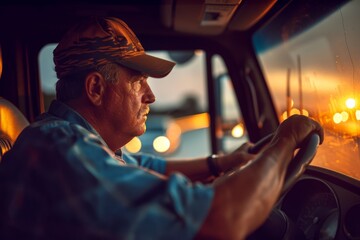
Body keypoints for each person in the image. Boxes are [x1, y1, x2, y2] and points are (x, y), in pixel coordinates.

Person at [0, 16, 324, 240]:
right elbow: (221, 222)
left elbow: (151, 166)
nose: (150, 95)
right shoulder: (62, 147)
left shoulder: (90, 143)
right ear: (96, 89)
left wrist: (222, 164)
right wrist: (285, 140)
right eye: (138, 81)